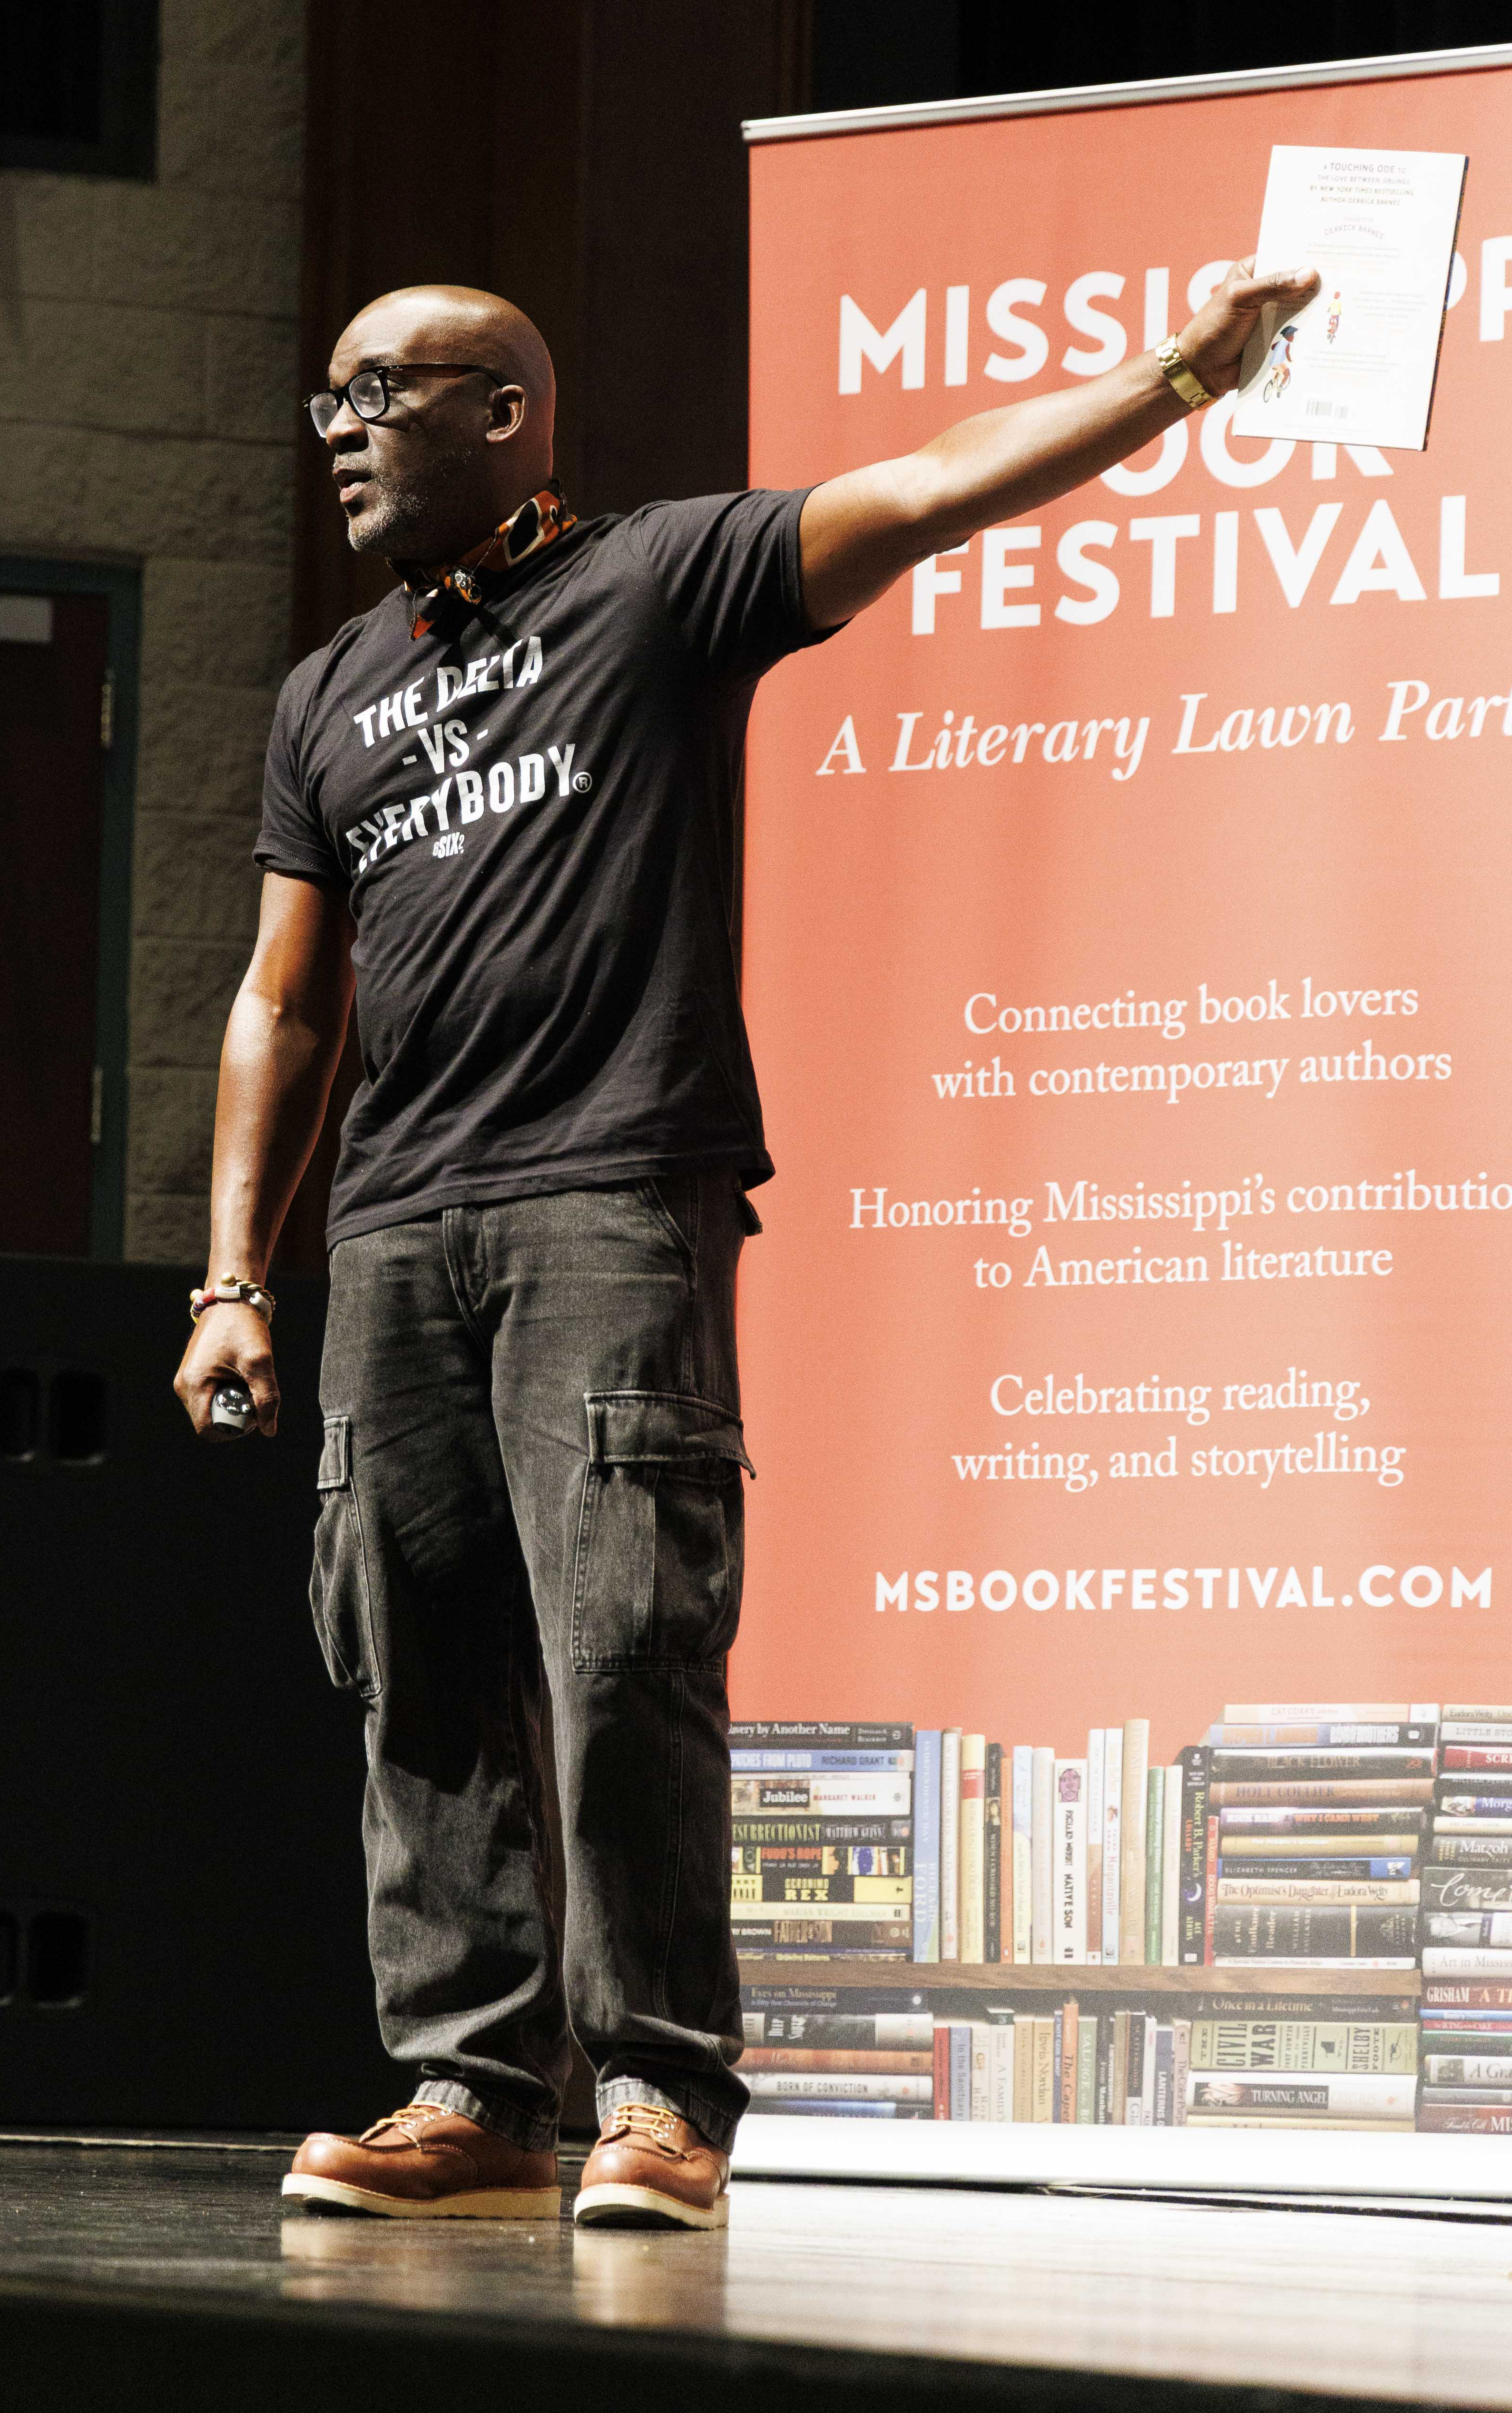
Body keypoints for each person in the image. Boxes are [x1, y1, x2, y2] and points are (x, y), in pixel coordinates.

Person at [174, 255, 1317, 2228]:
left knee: (625, 1644)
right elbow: (284, 999)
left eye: (381, 392)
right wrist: (230, 1276)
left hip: (610, 1189)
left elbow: (931, 484)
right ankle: (471, 2091)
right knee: (414, 1665)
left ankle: (657, 2094)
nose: (341, 432)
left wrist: (1175, 380)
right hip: (393, 1224)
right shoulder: (329, 690)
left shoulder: (656, 581)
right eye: (329, 401)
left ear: (504, 412)